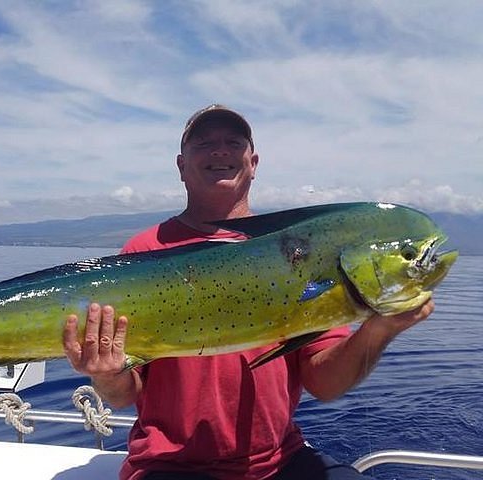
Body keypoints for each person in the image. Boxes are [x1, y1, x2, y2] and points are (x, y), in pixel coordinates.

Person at [62, 104, 434, 480]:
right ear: (180, 166)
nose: (220, 150)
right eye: (204, 143)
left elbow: (325, 383)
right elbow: (124, 395)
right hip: (171, 465)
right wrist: (106, 374)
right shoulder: (145, 251)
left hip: (279, 461)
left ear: (253, 162)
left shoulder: (297, 251)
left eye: (233, 142)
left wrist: (379, 329)